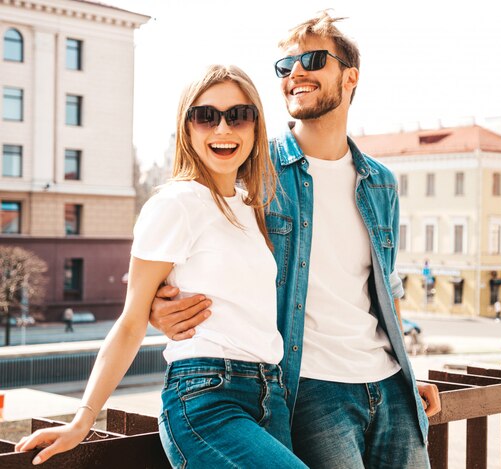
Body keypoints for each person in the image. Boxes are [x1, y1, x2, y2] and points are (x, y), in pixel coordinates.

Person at [150, 11, 441, 468]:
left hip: (390, 386)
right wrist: (157, 306)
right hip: (309, 388)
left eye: (312, 59)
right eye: (285, 67)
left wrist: (408, 372)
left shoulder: (380, 182)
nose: (295, 73)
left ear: (351, 77)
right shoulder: (251, 167)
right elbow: (181, 242)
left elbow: (386, 286)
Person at [15, 65, 306, 468]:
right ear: (186, 130)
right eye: (206, 116)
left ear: (256, 128)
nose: (223, 129)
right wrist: (82, 419)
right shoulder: (176, 204)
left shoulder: (250, 208)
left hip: (270, 396)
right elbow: (132, 321)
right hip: (207, 399)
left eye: (238, 116)